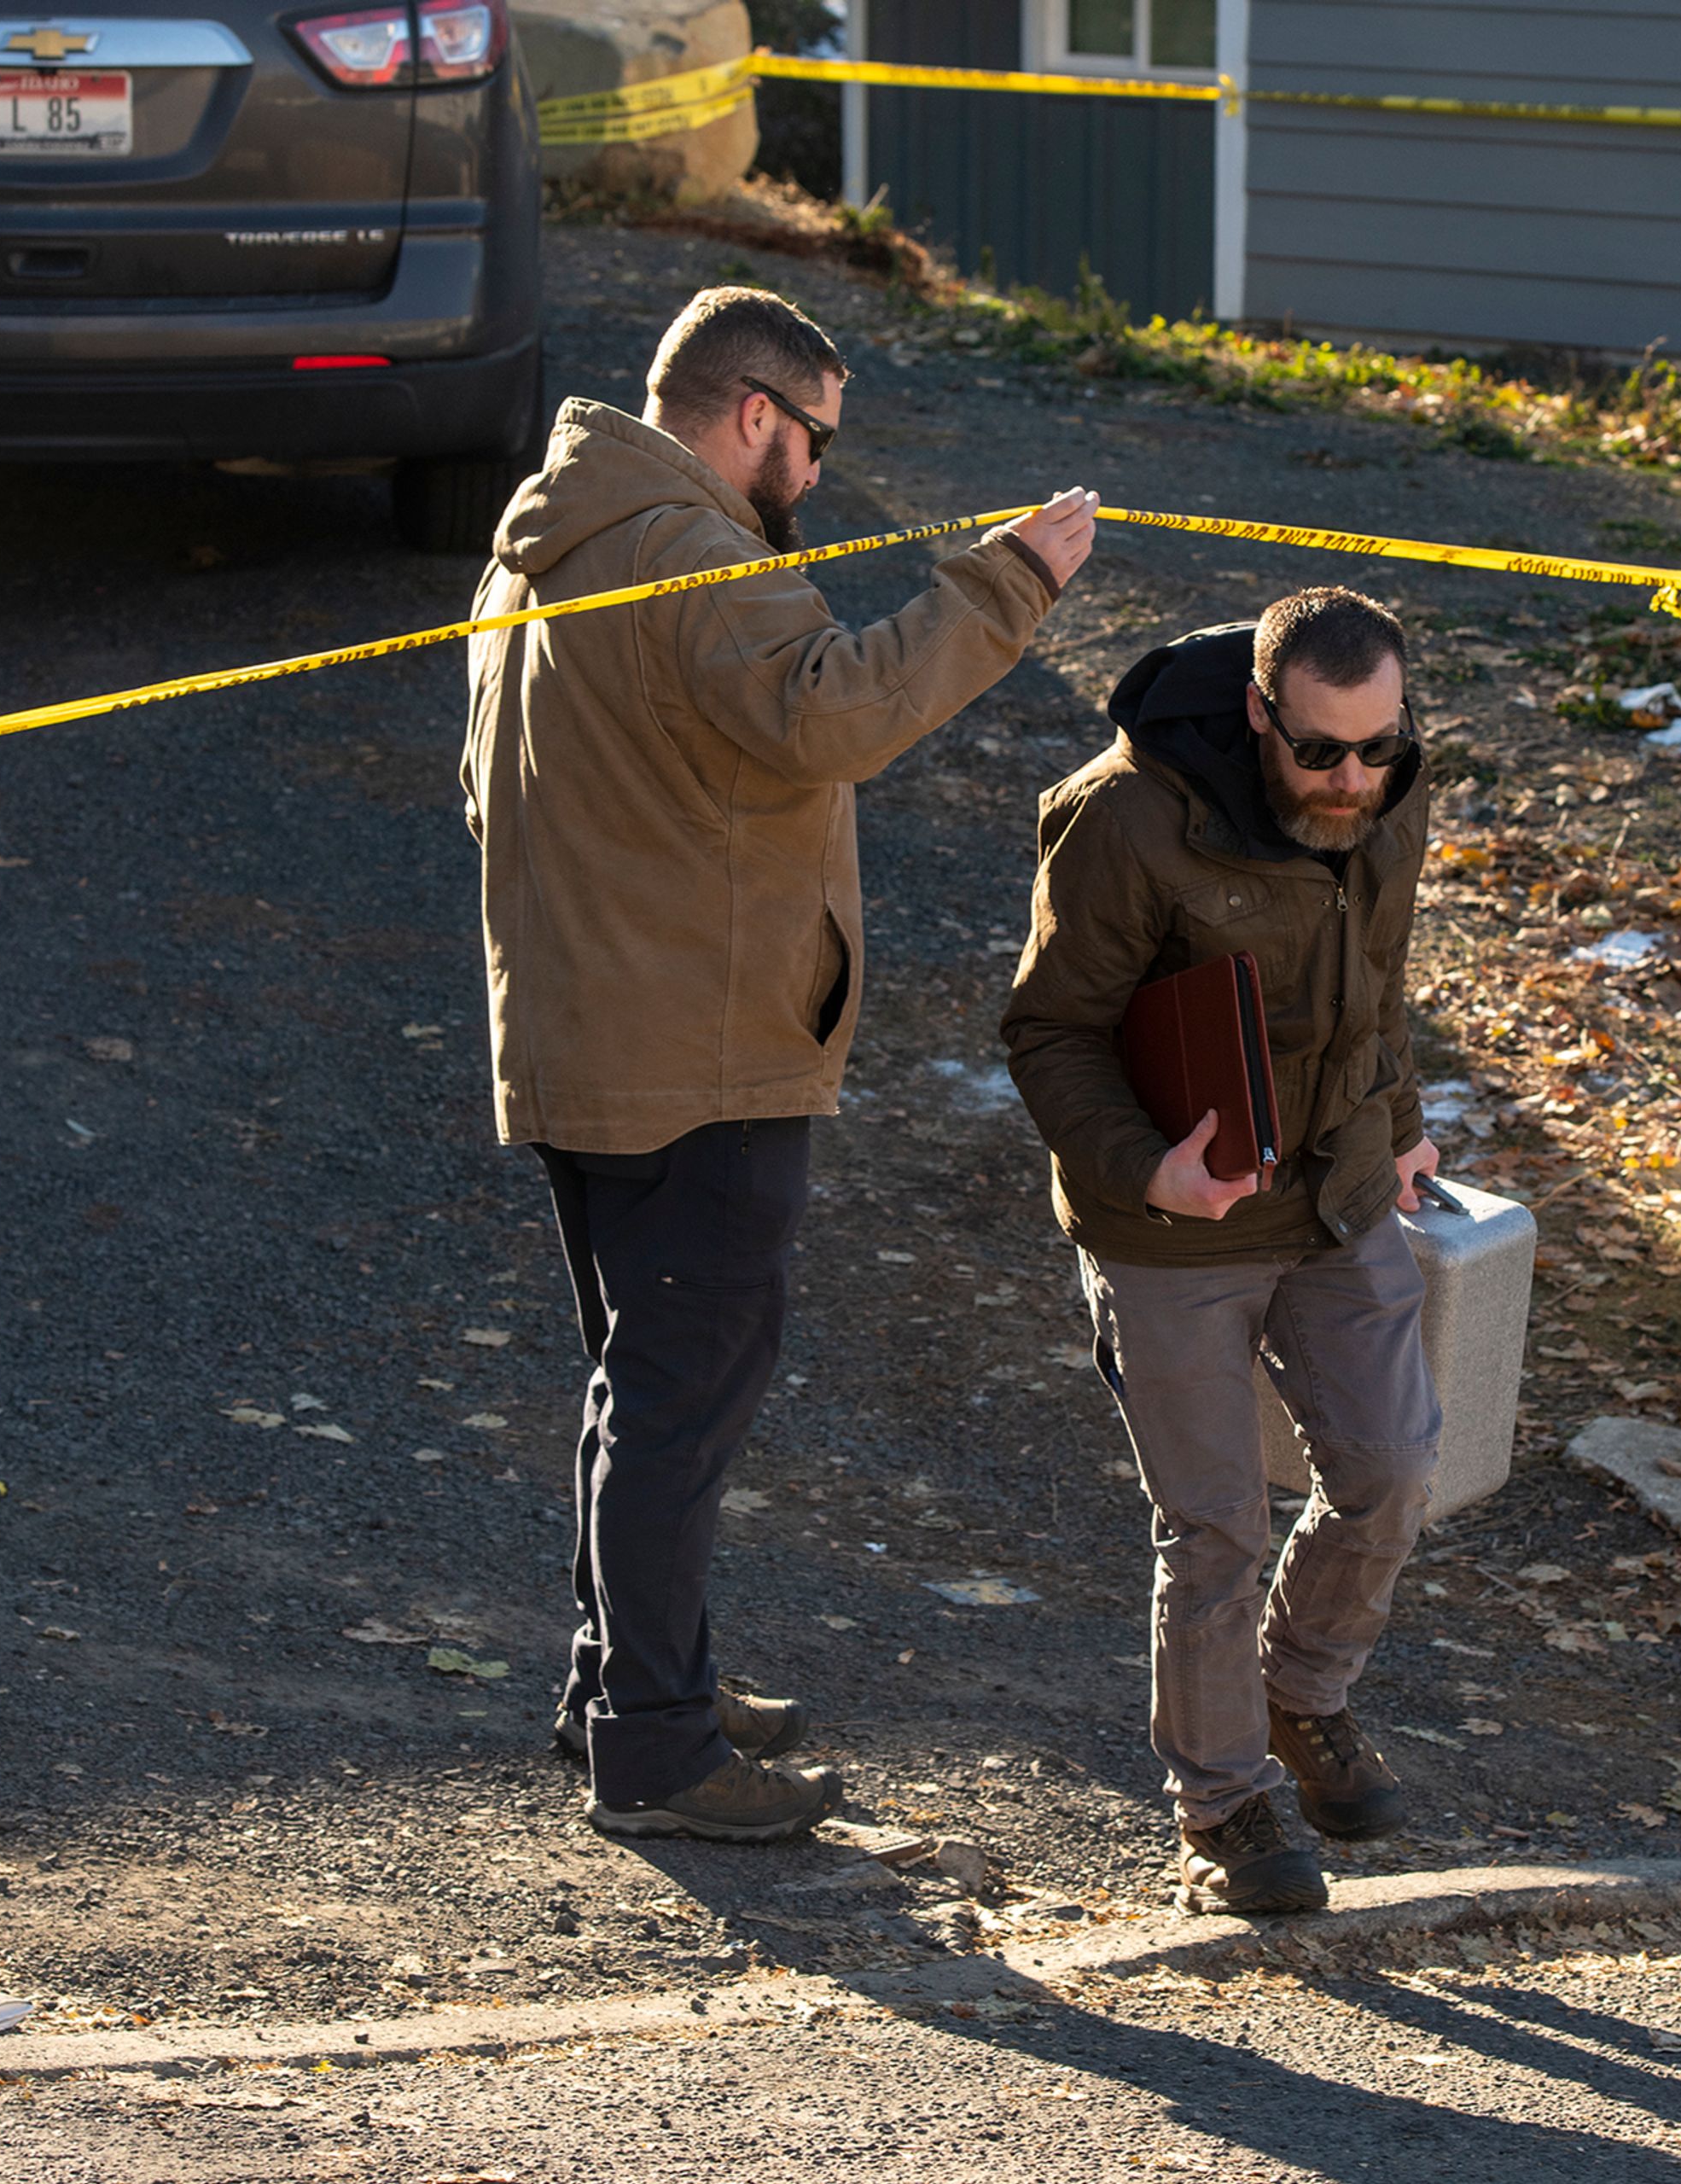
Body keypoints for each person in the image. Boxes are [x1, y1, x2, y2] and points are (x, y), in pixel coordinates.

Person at [462, 285, 1097, 1843]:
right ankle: (662, 1753)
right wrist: (1013, 580)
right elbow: (839, 713)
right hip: (703, 1059)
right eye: (812, 442)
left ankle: (629, 1685)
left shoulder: (540, 543)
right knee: (679, 1405)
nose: (814, 479)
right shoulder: (692, 555)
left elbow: (496, 787)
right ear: (753, 414)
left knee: (640, 1389)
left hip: (587, 1039)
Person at [1002, 587, 1440, 1913]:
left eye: (1378, 748)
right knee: (1215, 1526)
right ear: (1260, 713)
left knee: (1395, 1469)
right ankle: (1227, 1809)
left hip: (1340, 1188)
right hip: (1172, 1226)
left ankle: (1298, 1698)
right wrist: (1146, 1168)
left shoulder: (1390, 788)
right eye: (1319, 751)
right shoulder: (1127, 818)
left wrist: (1405, 1123)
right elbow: (1050, 1033)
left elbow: (1384, 972)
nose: (1352, 779)